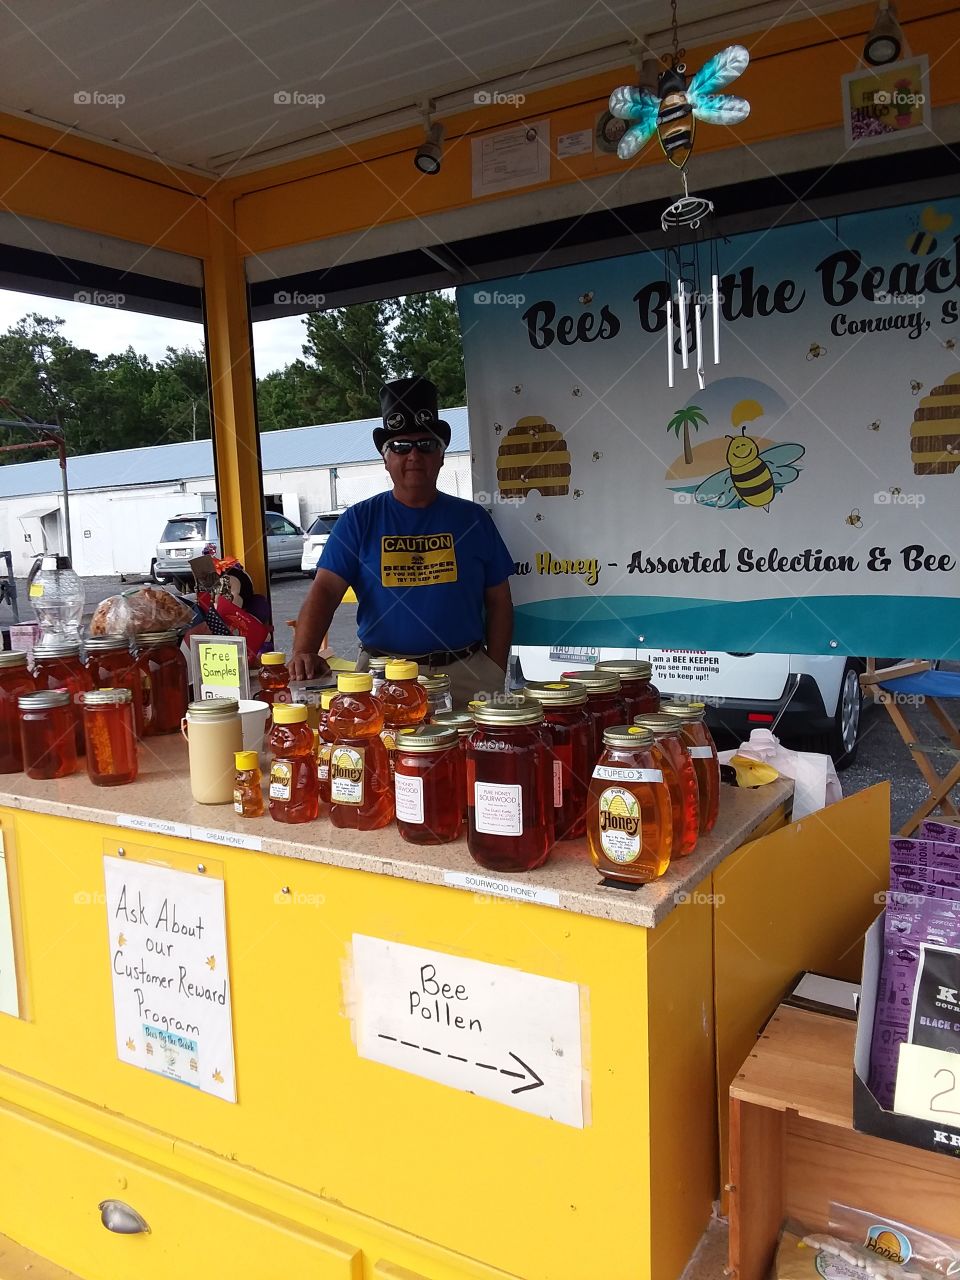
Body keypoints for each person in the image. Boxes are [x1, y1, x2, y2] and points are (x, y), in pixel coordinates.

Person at [289, 376, 514, 707]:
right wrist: (304, 651)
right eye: (400, 446)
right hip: (383, 678)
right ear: (385, 458)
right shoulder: (359, 520)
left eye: (426, 445)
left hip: (467, 676)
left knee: (475, 758)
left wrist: (494, 670)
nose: (414, 455)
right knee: (383, 757)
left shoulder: (473, 520)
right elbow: (324, 590)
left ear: (440, 456)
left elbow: (500, 601)